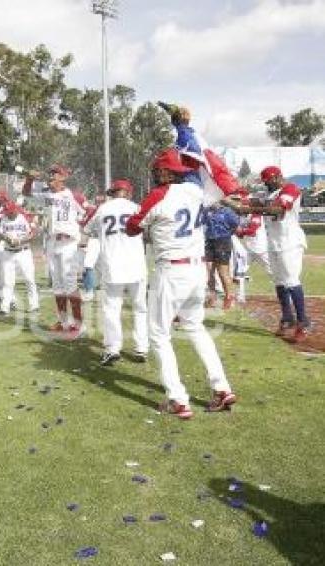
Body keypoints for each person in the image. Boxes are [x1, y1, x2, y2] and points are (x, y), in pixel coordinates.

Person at [125, 148, 236, 419]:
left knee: (158, 334)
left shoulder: (159, 194)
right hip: (197, 268)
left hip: (171, 269)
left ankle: (177, 399)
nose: (155, 174)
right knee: (195, 327)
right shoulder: (196, 191)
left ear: (167, 172)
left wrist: (151, 225)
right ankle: (222, 387)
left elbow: (131, 227)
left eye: (157, 170)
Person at [223, 166, 310, 341]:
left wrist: (248, 210)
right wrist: (229, 201)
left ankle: (303, 322)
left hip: (290, 243)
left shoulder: (290, 188)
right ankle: (287, 317)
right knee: (279, 282)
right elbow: (252, 202)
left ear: (277, 177)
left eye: (268, 181)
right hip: (274, 243)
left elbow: (278, 209)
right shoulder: (270, 193)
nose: (266, 185)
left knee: (291, 281)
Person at [84, 179, 149, 366]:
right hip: (136, 265)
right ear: (129, 193)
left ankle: (113, 348)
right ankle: (141, 348)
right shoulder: (137, 208)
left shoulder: (102, 209)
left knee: (112, 309)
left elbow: (86, 229)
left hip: (113, 266)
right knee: (140, 308)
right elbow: (148, 231)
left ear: (113, 193)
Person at [40, 165, 87, 338]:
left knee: (70, 284)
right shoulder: (47, 194)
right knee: (57, 286)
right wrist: (29, 178)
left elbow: (88, 212)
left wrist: (82, 231)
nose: (51, 176)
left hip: (69, 243)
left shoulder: (74, 195)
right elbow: (26, 193)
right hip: (53, 242)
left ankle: (79, 324)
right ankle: (63, 321)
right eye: (50, 173)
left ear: (63, 177)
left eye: (55, 174)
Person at [0, 201, 39, 316]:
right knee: (8, 281)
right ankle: (4, 307)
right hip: (8, 252)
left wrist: (20, 241)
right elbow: (0, 234)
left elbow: (34, 234)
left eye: (9, 212)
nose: (7, 214)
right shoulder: (4, 219)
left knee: (29, 279)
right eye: (6, 212)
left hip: (23, 252)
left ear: (15, 210)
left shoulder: (24, 217)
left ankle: (34, 305)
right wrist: (7, 238)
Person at [203, 202, 240, 309]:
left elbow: (235, 225)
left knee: (223, 272)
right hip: (209, 241)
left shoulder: (227, 211)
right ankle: (212, 298)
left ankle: (229, 297)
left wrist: (227, 233)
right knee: (209, 271)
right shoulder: (206, 210)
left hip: (223, 241)